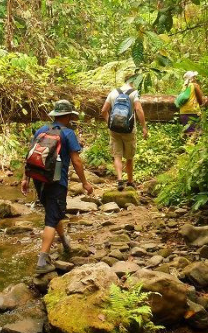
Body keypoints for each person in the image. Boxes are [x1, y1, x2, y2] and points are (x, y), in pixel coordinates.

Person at [21, 100, 94, 275]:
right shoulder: (68, 134)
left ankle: (64, 240)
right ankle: (42, 260)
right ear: (68, 116)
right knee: (51, 219)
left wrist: (25, 179)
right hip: (56, 181)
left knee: (53, 212)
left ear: (55, 115)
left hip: (39, 178)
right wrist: (85, 182)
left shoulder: (41, 130)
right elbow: (76, 160)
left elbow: (30, 156)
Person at [100, 75, 148, 191]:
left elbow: (103, 111)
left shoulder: (113, 92)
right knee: (129, 157)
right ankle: (130, 182)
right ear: (133, 81)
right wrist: (144, 127)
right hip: (129, 130)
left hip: (114, 129)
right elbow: (138, 109)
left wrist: (109, 123)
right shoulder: (134, 93)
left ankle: (120, 180)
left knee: (117, 155)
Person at [179, 71, 204, 135]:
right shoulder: (195, 85)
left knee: (188, 133)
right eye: (194, 77)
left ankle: (188, 144)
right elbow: (201, 101)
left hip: (183, 113)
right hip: (193, 112)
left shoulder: (184, 87)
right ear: (192, 78)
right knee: (197, 133)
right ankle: (192, 144)